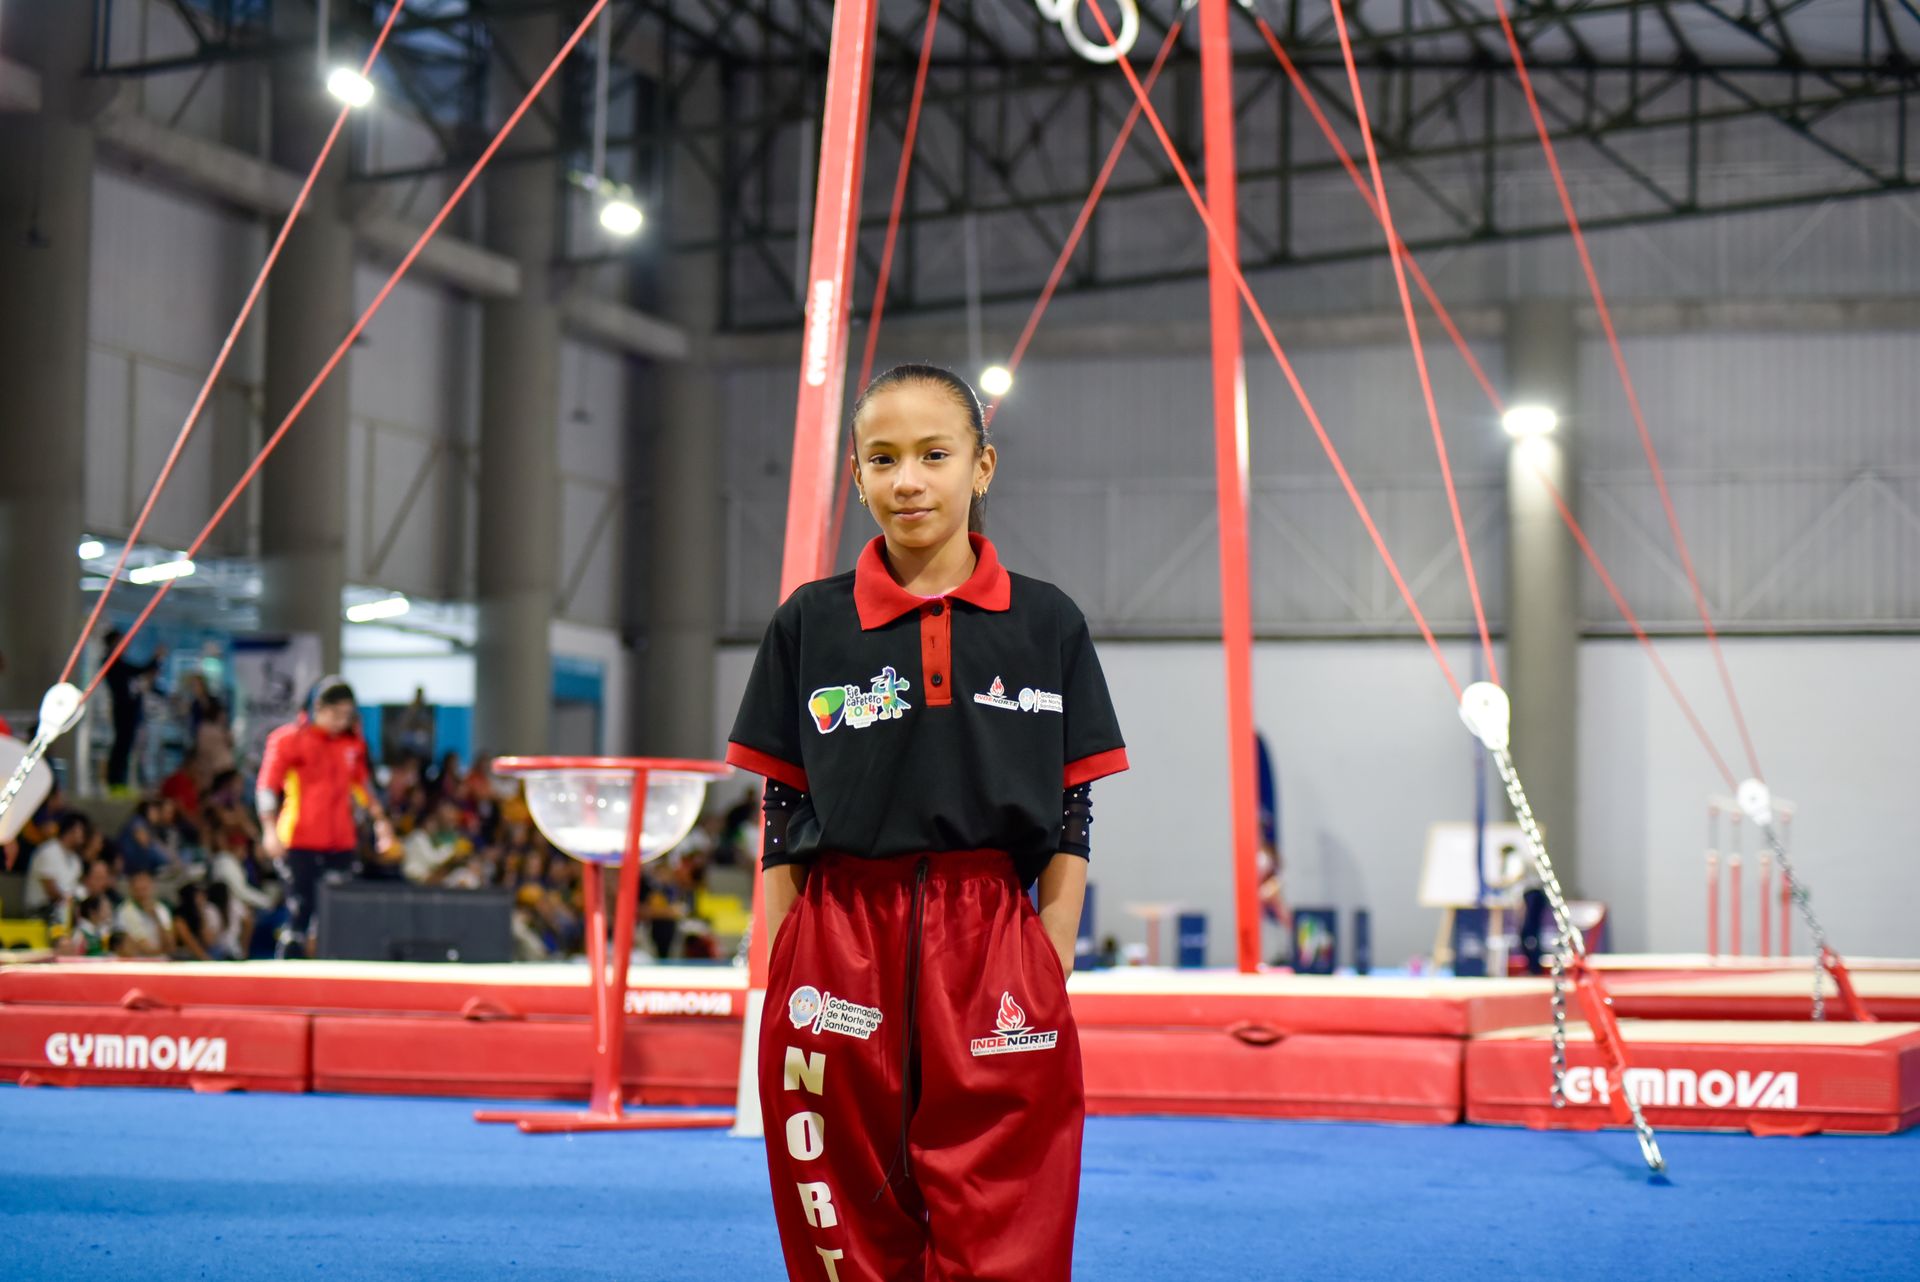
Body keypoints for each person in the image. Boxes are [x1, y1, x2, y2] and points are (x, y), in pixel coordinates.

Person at [725, 364, 1128, 1281]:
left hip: (991, 934)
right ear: (857, 477)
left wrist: (1048, 948)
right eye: (883, 458)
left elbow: (1073, 804)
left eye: (934, 455)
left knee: (1007, 1194)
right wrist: (785, 958)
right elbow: (783, 804)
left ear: (981, 468)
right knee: (844, 1198)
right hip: (838, 937)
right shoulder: (810, 622)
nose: (908, 479)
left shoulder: (1046, 622)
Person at [257, 676, 395, 958]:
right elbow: (266, 786)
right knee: (301, 909)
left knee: (337, 913)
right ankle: (289, 979)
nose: (340, 721)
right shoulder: (288, 740)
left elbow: (362, 785)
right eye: (335, 713)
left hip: (340, 842)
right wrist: (269, 830)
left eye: (346, 714)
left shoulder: (351, 744)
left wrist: (381, 823)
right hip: (298, 840)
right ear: (317, 707)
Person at [102, 630, 164, 791]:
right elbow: (139, 670)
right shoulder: (112, 663)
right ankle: (115, 783)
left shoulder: (116, 663)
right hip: (124, 710)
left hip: (126, 710)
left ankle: (118, 782)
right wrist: (156, 658)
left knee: (124, 747)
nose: (125, 646)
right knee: (121, 747)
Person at [25, 813, 91, 921]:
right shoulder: (48, 851)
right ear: (72, 830)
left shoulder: (75, 860)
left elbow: (76, 889)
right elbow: (52, 891)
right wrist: (73, 898)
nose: (84, 835)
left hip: (65, 915)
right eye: (82, 830)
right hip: (40, 914)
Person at [113, 869, 173, 958]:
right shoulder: (124, 911)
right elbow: (145, 949)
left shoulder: (161, 909)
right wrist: (163, 951)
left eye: (145, 888)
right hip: (138, 963)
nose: (143, 893)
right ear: (131, 889)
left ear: (152, 886)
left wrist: (156, 918)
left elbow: (171, 945)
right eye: (139, 889)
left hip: (162, 962)